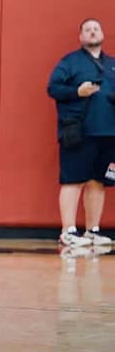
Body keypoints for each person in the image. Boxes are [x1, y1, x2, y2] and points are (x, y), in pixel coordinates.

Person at [47, 18, 115, 249]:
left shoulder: (112, 64)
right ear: (81, 37)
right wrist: (78, 91)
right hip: (79, 131)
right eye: (88, 29)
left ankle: (92, 231)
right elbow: (53, 88)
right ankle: (68, 232)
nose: (93, 32)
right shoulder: (70, 62)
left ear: (102, 34)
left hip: (108, 133)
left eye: (96, 28)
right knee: (73, 181)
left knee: (99, 181)